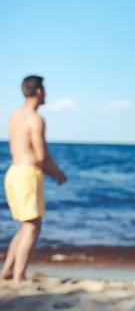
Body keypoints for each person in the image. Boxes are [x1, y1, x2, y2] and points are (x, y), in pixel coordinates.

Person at [1, 75, 68, 283]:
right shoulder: (35, 118)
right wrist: (57, 173)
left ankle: (7, 271)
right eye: (45, 90)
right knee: (32, 227)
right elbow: (41, 155)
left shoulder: (15, 116)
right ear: (39, 91)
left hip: (13, 172)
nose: (46, 93)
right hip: (27, 174)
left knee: (26, 225)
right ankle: (19, 276)